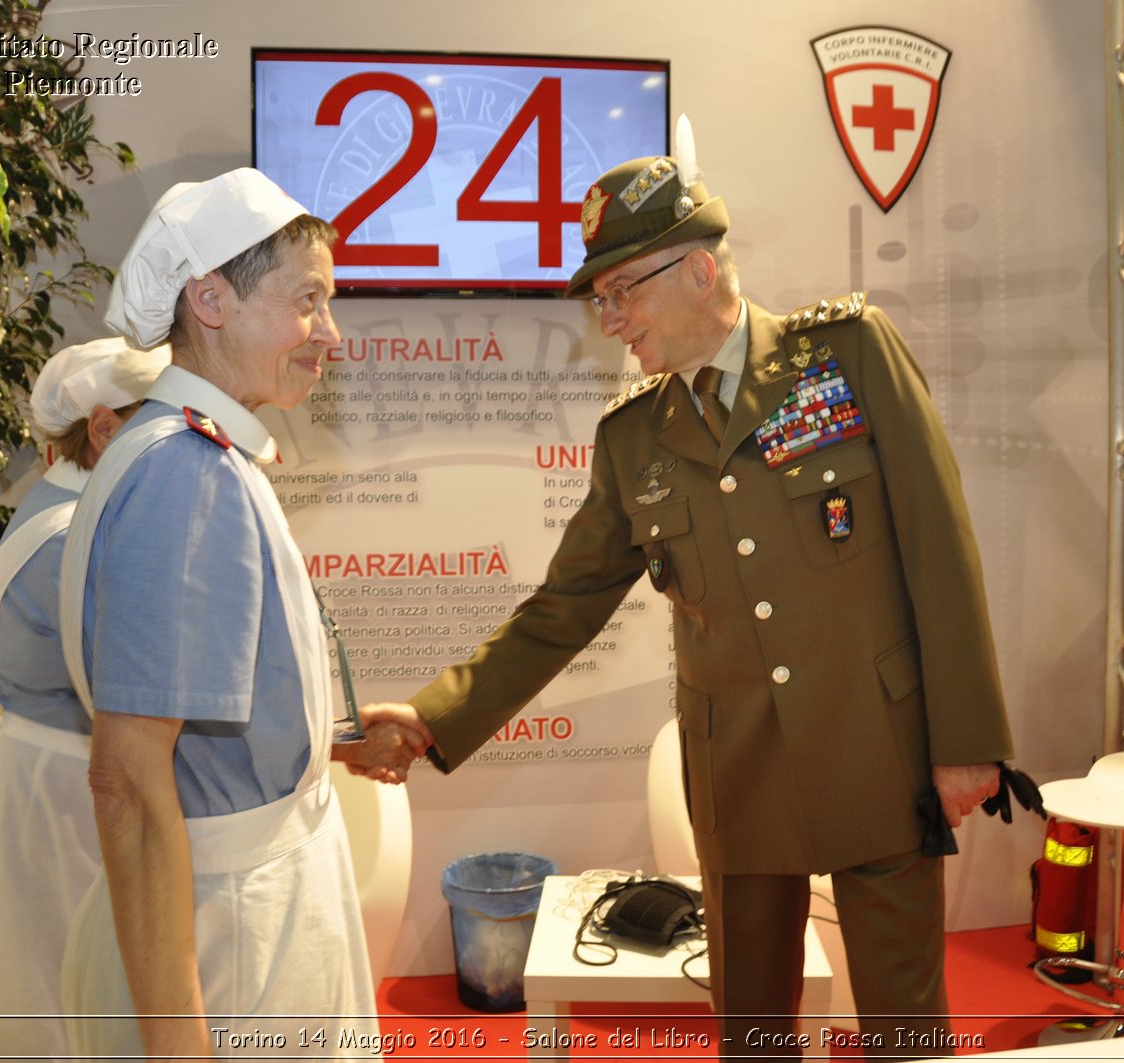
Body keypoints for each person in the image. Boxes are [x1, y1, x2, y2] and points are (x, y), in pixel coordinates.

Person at [369, 153, 1015, 1057]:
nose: (610, 318)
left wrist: (967, 742)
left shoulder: (845, 355)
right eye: (599, 298)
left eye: (623, 290)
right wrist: (435, 716)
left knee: (906, 1027)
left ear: (700, 268)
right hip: (738, 769)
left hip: (878, 744)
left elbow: (939, 546)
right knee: (751, 1032)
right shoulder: (635, 438)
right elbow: (564, 608)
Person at [55, 168, 423, 1060]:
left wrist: (324, 733)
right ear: (210, 298)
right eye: (308, 301)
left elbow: (197, 722)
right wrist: (180, 1042)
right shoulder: (185, 472)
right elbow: (131, 781)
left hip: (246, 904)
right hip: (232, 933)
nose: (329, 335)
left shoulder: (201, 457)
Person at [0, 336, 167, 1061]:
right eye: (160, 421)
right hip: (56, 816)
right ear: (103, 430)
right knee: (60, 1019)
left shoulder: (69, 511)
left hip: (46, 798)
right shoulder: (81, 541)